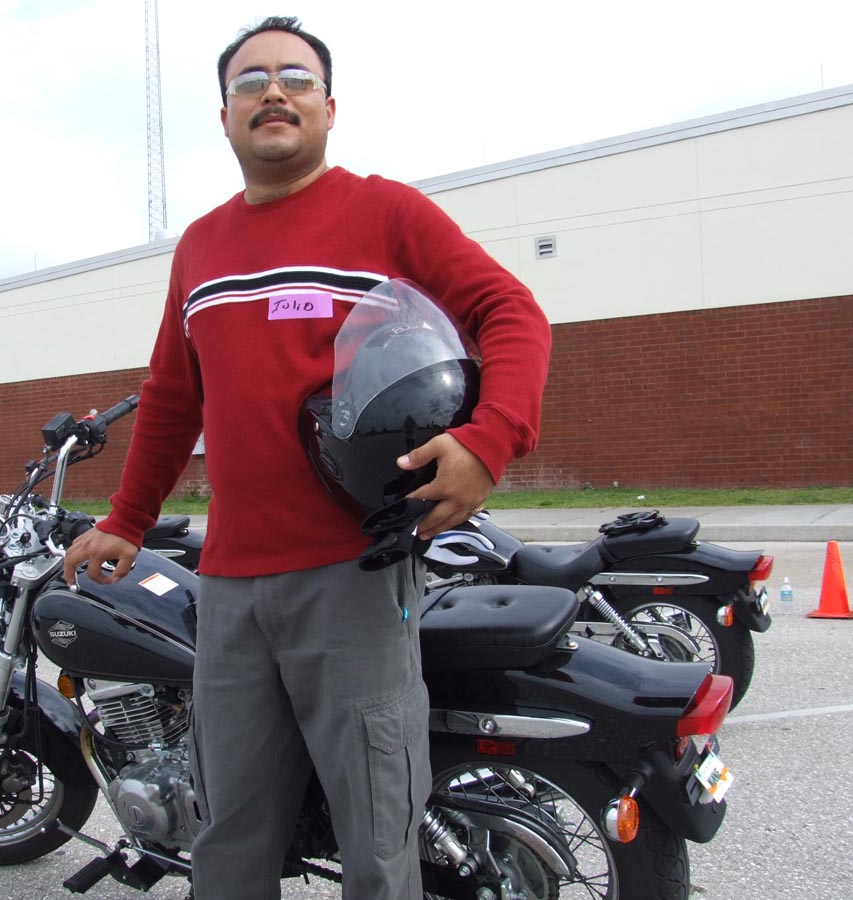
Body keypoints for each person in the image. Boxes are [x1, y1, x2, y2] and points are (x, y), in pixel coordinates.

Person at [63, 15, 551, 900]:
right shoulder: (200, 247)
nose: (274, 93)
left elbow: (511, 312)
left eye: (296, 78)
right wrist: (127, 519)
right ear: (225, 116)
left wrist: (489, 442)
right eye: (251, 82)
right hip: (230, 589)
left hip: (353, 578)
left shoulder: (385, 212)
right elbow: (173, 397)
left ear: (330, 106)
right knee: (231, 835)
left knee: (377, 835)